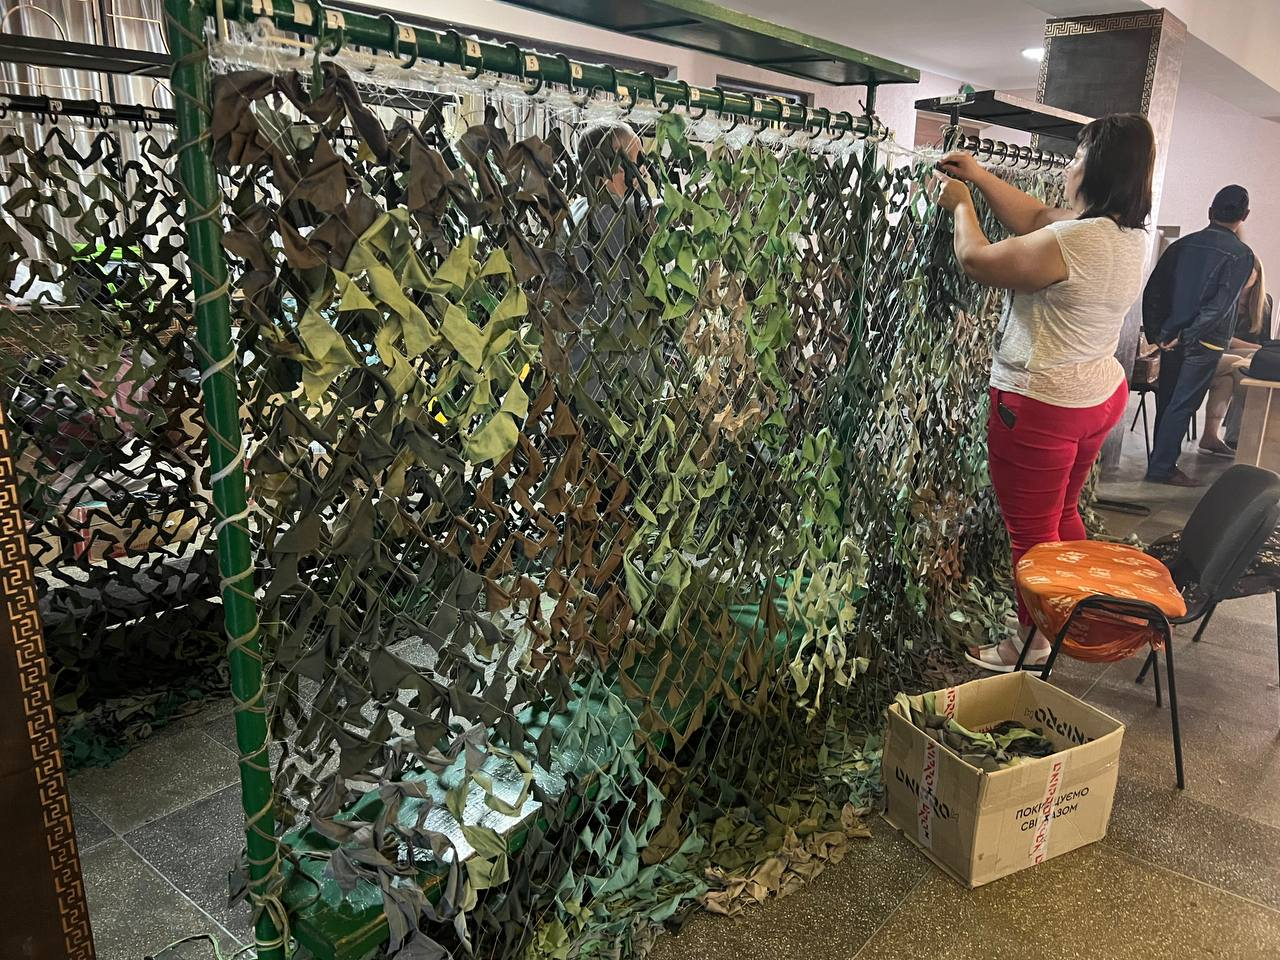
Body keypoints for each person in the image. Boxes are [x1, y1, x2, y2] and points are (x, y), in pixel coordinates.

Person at [933, 113, 1156, 671]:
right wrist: (979, 175)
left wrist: (961, 205)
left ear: (1097, 169)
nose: (1068, 167)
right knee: (1061, 515)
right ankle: (1076, 617)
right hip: (1096, 397)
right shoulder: (1127, 236)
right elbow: (1035, 217)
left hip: (1043, 403)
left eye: (1077, 157)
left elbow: (977, 260)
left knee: (1032, 534)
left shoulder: (1074, 242)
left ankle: (1032, 643)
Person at [1142, 185, 1255, 485]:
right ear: (1245, 215)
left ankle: (1159, 463)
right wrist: (1189, 334)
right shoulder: (1242, 255)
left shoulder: (1182, 245)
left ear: (1209, 212)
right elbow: (1220, 305)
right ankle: (1162, 468)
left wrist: (1157, 333)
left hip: (1170, 337)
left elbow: (1153, 290)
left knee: (1168, 400)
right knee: (1183, 404)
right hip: (1206, 341)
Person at [565, 121, 661, 403]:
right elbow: (670, 210)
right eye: (636, 159)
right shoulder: (612, 213)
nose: (643, 169)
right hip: (608, 384)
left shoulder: (579, 208)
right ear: (613, 167)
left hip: (587, 372)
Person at [1200, 258, 1269, 456]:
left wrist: (1254, 348)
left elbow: (1264, 341)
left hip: (1230, 363)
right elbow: (1218, 337)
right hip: (1214, 354)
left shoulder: (1264, 303)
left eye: (1250, 271)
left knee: (1228, 380)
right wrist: (1252, 348)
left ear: (1257, 275)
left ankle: (1210, 436)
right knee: (1248, 363)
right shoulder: (1222, 297)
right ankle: (1246, 435)